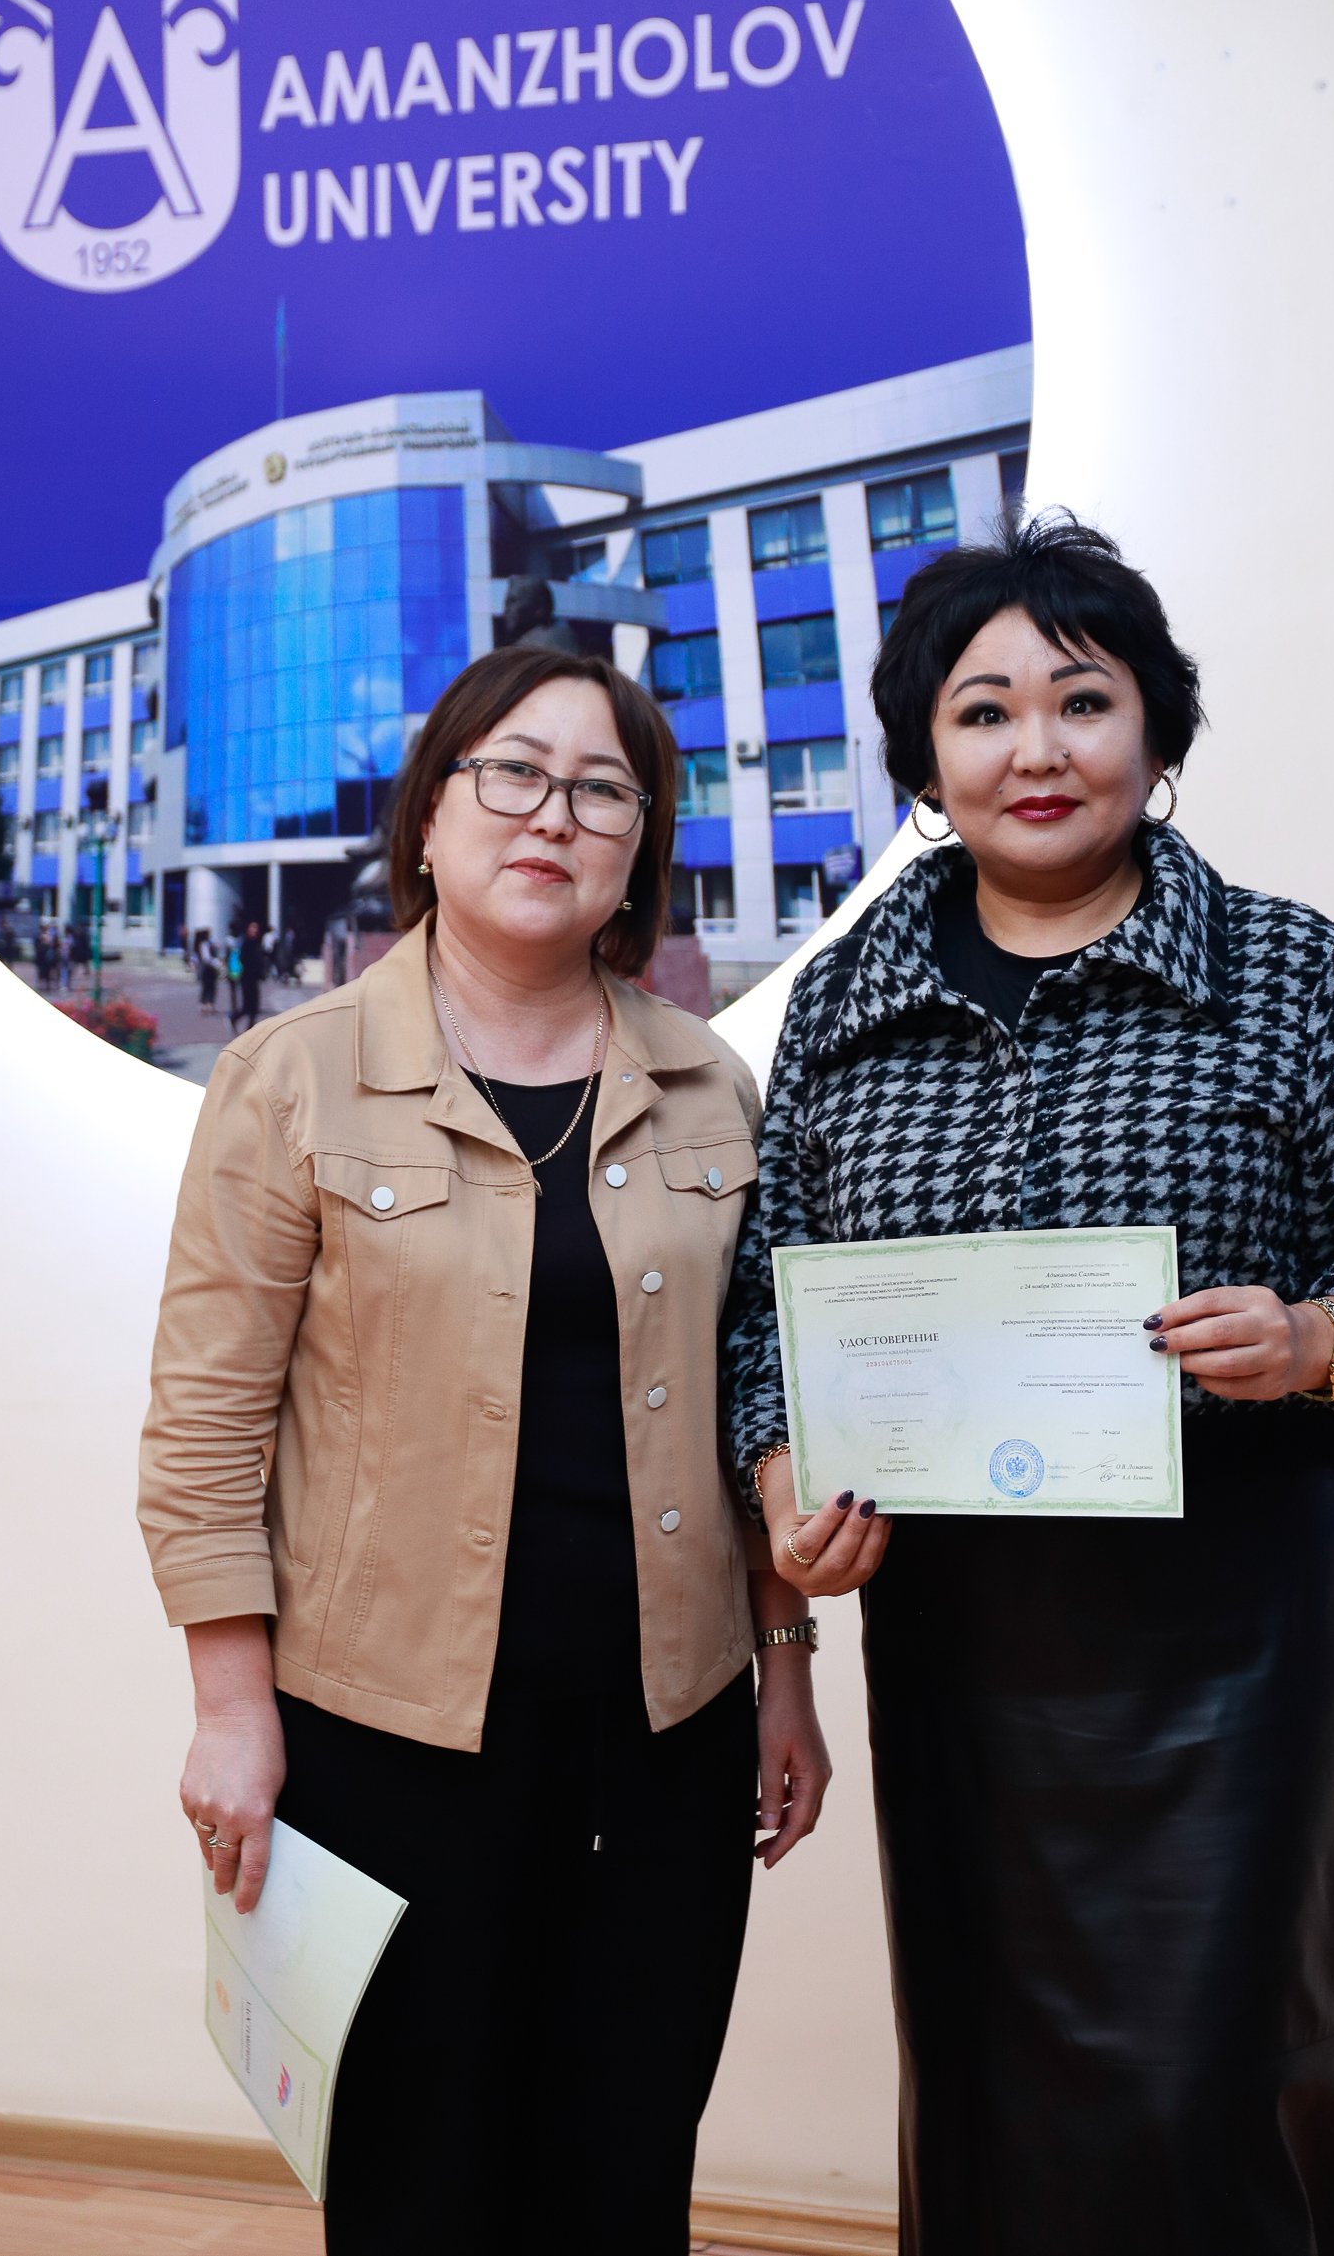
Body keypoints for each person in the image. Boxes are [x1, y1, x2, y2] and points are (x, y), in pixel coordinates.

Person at [727, 511, 1334, 2256]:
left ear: (1152, 730)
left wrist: (1319, 1338)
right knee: (979, 2056)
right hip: (963, 1625)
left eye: (1080, 698)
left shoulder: (1282, 965)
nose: (1034, 748)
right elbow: (763, 1305)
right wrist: (781, 1476)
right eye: (982, 712)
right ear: (924, 761)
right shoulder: (841, 1001)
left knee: (1226, 2067)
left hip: (1234, 1620)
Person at [139, 644, 830, 2255]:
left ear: (639, 849)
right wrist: (231, 1710)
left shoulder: (709, 1085)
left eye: (601, 790)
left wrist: (786, 1667)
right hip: (383, 1737)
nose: (553, 814)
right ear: (432, 818)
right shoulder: (292, 1077)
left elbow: (755, 1402)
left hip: (668, 1732)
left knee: (626, 2169)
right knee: (418, 2181)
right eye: (511, 772)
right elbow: (204, 1426)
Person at [239, 916, 266, 1030]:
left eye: (256, 928)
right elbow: (242, 958)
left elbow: (260, 959)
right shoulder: (246, 942)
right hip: (247, 977)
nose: (255, 930)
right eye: (253, 928)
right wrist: (251, 966)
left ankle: (250, 1027)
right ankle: (234, 1017)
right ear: (248, 930)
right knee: (247, 1005)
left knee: (254, 1004)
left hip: (255, 977)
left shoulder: (257, 942)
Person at [195, 929, 219, 1014]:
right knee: (207, 987)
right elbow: (206, 958)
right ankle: (205, 1005)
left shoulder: (209, 943)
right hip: (207, 968)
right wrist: (216, 964)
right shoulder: (204, 944)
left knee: (211, 987)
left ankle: (209, 1005)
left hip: (209, 968)